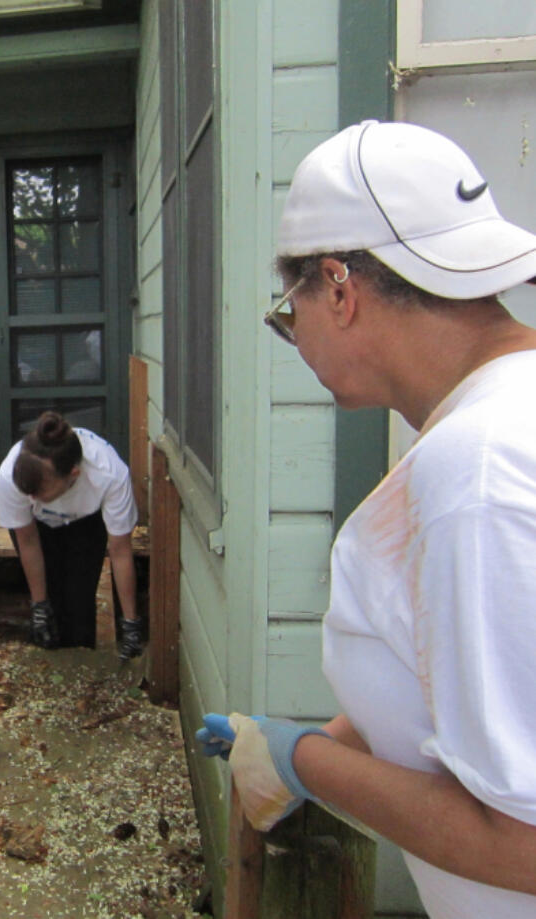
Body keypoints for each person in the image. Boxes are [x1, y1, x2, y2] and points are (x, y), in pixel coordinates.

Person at [196, 120, 536, 917]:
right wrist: (306, 741)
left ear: (339, 288)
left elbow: (521, 837)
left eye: (291, 310)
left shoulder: (477, 470)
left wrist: (303, 757)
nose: (296, 336)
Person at [0, 410, 144, 658]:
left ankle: (80, 657)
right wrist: (39, 607)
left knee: (80, 601)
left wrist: (131, 624)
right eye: (28, 492)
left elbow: (120, 551)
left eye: (40, 491)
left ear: (73, 474)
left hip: (88, 520)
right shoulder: (11, 477)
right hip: (37, 528)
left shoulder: (109, 474)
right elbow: (27, 540)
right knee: (50, 601)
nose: (31, 499)